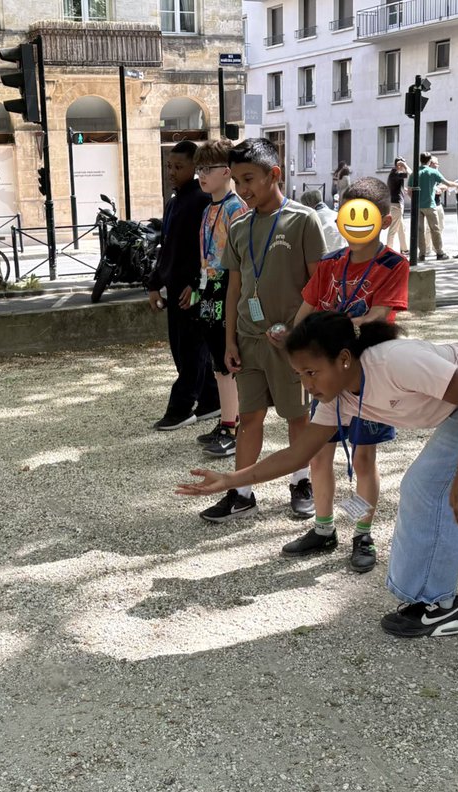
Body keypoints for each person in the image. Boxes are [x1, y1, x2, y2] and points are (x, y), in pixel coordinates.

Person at [179, 310, 458, 638]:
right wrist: (233, 480)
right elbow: (298, 453)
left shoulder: (395, 362)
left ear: (344, 359)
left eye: (311, 372)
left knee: (429, 487)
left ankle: (437, 606)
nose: (306, 385)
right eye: (299, 375)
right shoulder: (336, 396)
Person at [280, 177, 408, 572]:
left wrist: (339, 324)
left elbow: (381, 315)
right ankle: (323, 529)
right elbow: (305, 310)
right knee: (320, 455)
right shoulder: (330, 264)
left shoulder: (393, 265)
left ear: (383, 221)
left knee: (364, 459)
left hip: (364, 376)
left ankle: (362, 535)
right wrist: (290, 340)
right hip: (326, 376)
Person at [198, 137, 326, 523]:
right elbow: (235, 286)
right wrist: (229, 341)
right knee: (249, 416)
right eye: (236, 180)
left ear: (275, 174)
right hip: (250, 341)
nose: (243, 189)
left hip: (291, 344)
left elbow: (318, 284)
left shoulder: (302, 220)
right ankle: (242, 492)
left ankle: (301, 483)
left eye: (249, 178)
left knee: (296, 416)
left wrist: (297, 331)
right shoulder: (240, 225)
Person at [146, 140, 220, 431]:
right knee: (181, 348)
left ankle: (181, 406)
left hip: (193, 289)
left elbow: (209, 250)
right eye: (169, 166)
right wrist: (153, 284)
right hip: (175, 288)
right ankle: (211, 399)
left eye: (178, 167)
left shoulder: (203, 201)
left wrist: (196, 284)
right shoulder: (174, 202)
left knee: (191, 349)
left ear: (195, 168)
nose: (172, 172)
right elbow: (166, 248)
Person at [192, 138, 250, 458]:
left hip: (227, 288)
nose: (201, 174)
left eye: (208, 168)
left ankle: (234, 425)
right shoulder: (210, 208)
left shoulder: (234, 207)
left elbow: (241, 259)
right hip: (210, 288)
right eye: (199, 168)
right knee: (218, 361)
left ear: (226, 171)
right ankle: (228, 420)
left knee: (227, 361)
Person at [416, 153, 452, 261]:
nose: (437, 165)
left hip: (435, 205)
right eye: (436, 163)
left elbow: (444, 185)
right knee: (431, 229)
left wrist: (440, 188)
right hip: (431, 205)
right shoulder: (431, 172)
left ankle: (425, 252)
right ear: (430, 162)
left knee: (435, 228)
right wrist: (457, 185)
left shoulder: (430, 173)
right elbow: (447, 183)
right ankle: (433, 251)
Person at [301, 189, 347, 253]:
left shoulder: (311, 219)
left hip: (326, 257)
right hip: (343, 254)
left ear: (308, 205)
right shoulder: (336, 214)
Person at [386, 158, 410, 255]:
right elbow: (411, 173)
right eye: (402, 165)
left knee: (401, 228)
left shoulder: (393, 174)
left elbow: (395, 187)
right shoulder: (396, 174)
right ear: (398, 165)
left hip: (395, 203)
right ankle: (388, 251)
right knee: (393, 229)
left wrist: (403, 189)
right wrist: (405, 165)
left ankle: (404, 249)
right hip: (396, 205)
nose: (404, 167)